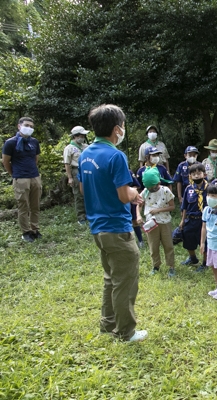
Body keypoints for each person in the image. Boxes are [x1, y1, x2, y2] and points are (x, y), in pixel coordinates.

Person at [78, 104, 147, 342]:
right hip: (117, 228)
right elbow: (122, 195)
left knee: (111, 278)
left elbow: (82, 187)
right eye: (124, 126)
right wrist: (134, 193)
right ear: (117, 129)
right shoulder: (116, 156)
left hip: (97, 228)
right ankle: (126, 332)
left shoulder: (86, 154)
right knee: (125, 281)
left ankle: (107, 324)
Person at [2, 117, 42, 243]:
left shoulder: (34, 142)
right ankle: (26, 231)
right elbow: (5, 161)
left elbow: (36, 158)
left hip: (34, 176)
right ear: (19, 126)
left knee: (35, 205)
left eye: (31, 126)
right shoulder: (10, 143)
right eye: (26, 125)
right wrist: (14, 174)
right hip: (20, 177)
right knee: (23, 206)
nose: (29, 128)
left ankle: (35, 229)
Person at [141, 168, 176, 277]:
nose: (151, 189)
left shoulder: (165, 190)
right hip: (151, 223)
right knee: (153, 246)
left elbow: (172, 206)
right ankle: (156, 266)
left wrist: (158, 210)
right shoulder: (145, 192)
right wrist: (138, 215)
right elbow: (139, 204)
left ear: (158, 183)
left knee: (168, 245)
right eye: (149, 187)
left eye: (153, 187)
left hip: (164, 221)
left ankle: (171, 267)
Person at [179, 163, 208, 270]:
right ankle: (193, 258)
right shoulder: (188, 189)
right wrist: (183, 220)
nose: (196, 176)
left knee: (205, 241)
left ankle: (205, 263)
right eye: (193, 174)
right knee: (188, 239)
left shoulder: (209, 188)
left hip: (204, 221)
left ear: (204, 174)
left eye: (199, 173)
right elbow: (184, 206)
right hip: (191, 220)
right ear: (190, 176)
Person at [64, 126, 89, 225]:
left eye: (83, 135)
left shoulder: (86, 146)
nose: (83, 137)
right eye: (81, 135)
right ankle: (81, 217)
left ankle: (89, 214)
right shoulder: (69, 148)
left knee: (89, 193)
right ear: (75, 136)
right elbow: (67, 163)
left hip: (87, 170)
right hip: (76, 171)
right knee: (78, 194)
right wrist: (70, 177)